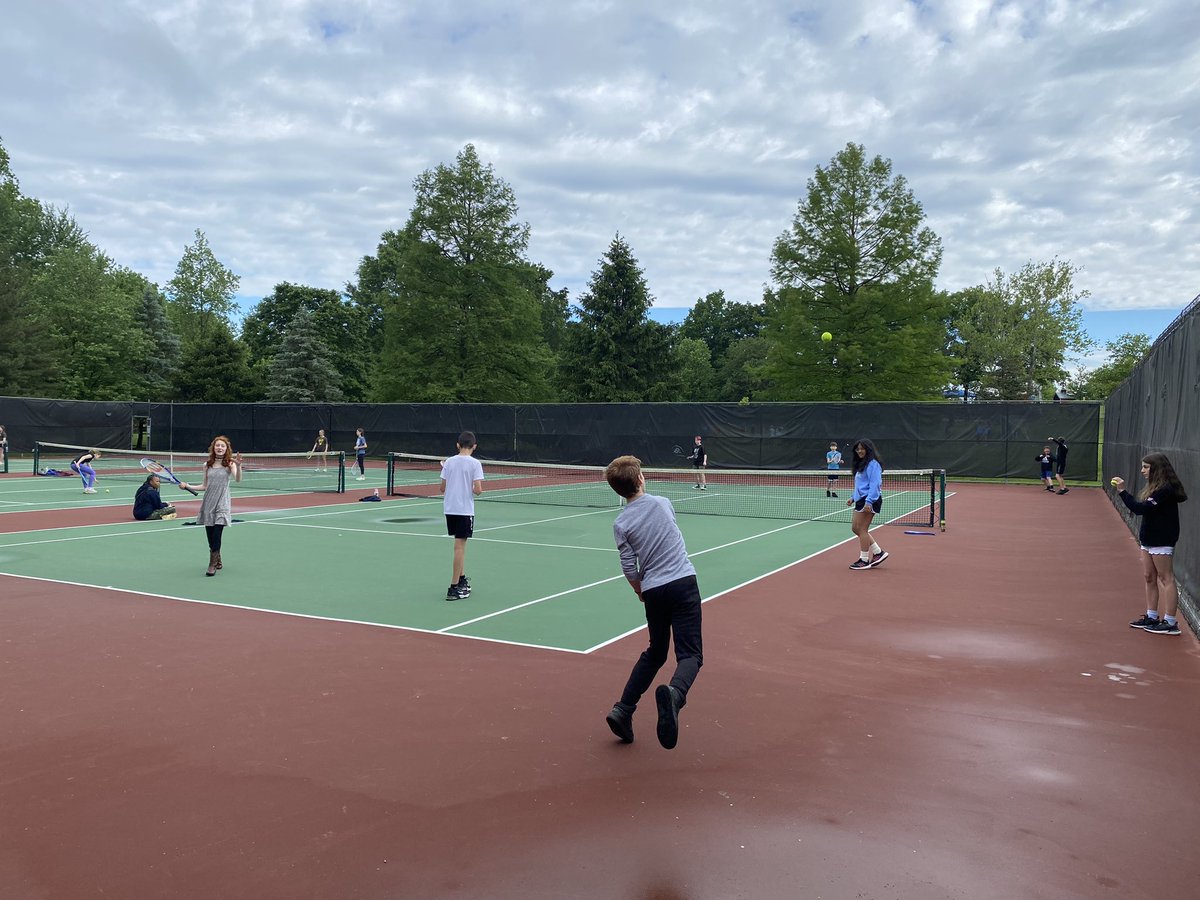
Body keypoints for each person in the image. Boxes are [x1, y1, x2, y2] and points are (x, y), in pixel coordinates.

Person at [603, 454, 704, 750]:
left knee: (656, 651)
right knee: (690, 655)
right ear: (641, 479)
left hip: (654, 591)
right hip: (683, 583)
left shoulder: (621, 523)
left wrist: (639, 590)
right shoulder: (662, 503)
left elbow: (629, 566)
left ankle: (623, 709)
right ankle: (675, 693)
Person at [1115, 453, 1189, 636]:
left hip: (1162, 539)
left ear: (1157, 468)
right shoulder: (1154, 488)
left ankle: (1170, 622)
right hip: (1148, 538)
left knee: (1166, 578)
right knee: (1149, 576)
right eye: (1142, 467)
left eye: (1146, 467)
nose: (1142, 471)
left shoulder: (1166, 489)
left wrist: (1122, 491)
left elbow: (1140, 509)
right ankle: (1151, 616)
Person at [179, 435, 241, 577]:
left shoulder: (230, 464)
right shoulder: (207, 465)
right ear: (214, 447)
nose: (220, 448)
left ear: (227, 449)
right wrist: (187, 486)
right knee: (210, 536)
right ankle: (218, 560)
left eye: (223, 446)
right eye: (217, 445)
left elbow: (238, 479)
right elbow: (204, 486)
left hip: (223, 503)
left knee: (217, 533)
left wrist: (238, 466)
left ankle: (212, 564)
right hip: (208, 502)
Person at [440, 431, 484, 601]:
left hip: (449, 509)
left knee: (459, 546)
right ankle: (453, 588)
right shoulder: (475, 464)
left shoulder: (449, 462)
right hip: (464, 510)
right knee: (459, 548)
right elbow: (478, 490)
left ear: (457, 445)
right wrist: (471, 488)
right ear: (474, 446)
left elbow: (442, 488)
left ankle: (462, 579)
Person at [847, 439, 888, 570]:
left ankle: (864, 560)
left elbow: (875, 485)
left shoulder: (873, 464)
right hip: (861, 500)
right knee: (855, 528)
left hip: (870, 500)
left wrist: (869, 502)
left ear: (868, 449)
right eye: (857, 449)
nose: (859, 451)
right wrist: (853, 498)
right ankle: (878, 552)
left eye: (862, 448)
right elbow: (860, 485)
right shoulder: (861, 464)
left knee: (862, 530)